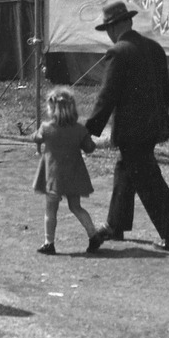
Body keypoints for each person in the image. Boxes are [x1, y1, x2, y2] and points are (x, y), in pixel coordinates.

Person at [86, 1, 169, 251]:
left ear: (114, 28)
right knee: (126, 170)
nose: (109, 35)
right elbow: (166, 93)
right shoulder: (155, 48)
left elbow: (107, 95)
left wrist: (89, 129)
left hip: (132, 130)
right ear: (130, 22)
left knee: (148, 180)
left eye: (109, 29)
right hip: (152, 126)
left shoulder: (118, 52)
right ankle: (116, 225)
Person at [31, 87, 102, 256]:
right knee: (76, 207)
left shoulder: (46, 128)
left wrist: (37, 136)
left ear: (51, 109)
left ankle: (49, 243)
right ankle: (93, 235)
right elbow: (89, 148)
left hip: (53, 177)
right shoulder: (78, 129)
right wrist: (87, 137)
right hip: (74, 176)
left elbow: (36, 137)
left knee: (51, 209)